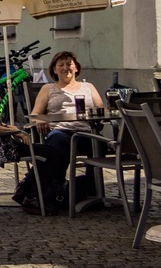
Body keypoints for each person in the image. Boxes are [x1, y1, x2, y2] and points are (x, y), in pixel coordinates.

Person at [29, 50, 106, 214]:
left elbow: (101, 109)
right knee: (58, 144)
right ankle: (55, 192)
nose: (66, 68)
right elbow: (35, 114)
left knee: (100, 144)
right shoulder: (48, 88)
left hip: (86, 132)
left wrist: (98, 117)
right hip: (61, 131)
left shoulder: (88, 87)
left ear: (76, 68)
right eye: (61, 65)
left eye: (69, 64)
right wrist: (40, 120)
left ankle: (92, 192)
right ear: (54, 69)